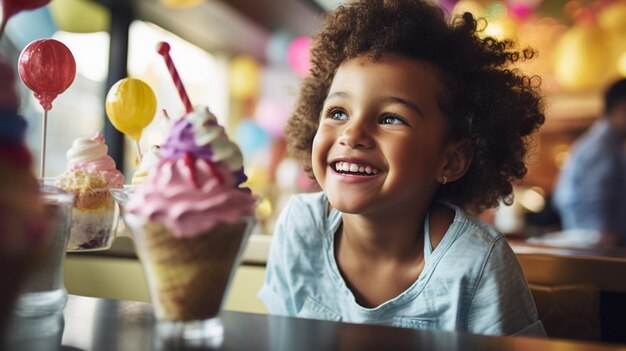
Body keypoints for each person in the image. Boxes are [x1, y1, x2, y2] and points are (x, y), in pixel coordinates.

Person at [258, 0, 546, 337]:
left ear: (450, 160)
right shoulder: (300, 226)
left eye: (391, 118)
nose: (352, 134)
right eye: (338, 112)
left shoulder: (475, 263)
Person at [553, 78, 626, 246]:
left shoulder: (606, 143)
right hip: (597, 245)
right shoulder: (601, 147)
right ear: (623, 107)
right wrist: (604, 235)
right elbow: (595, 198)